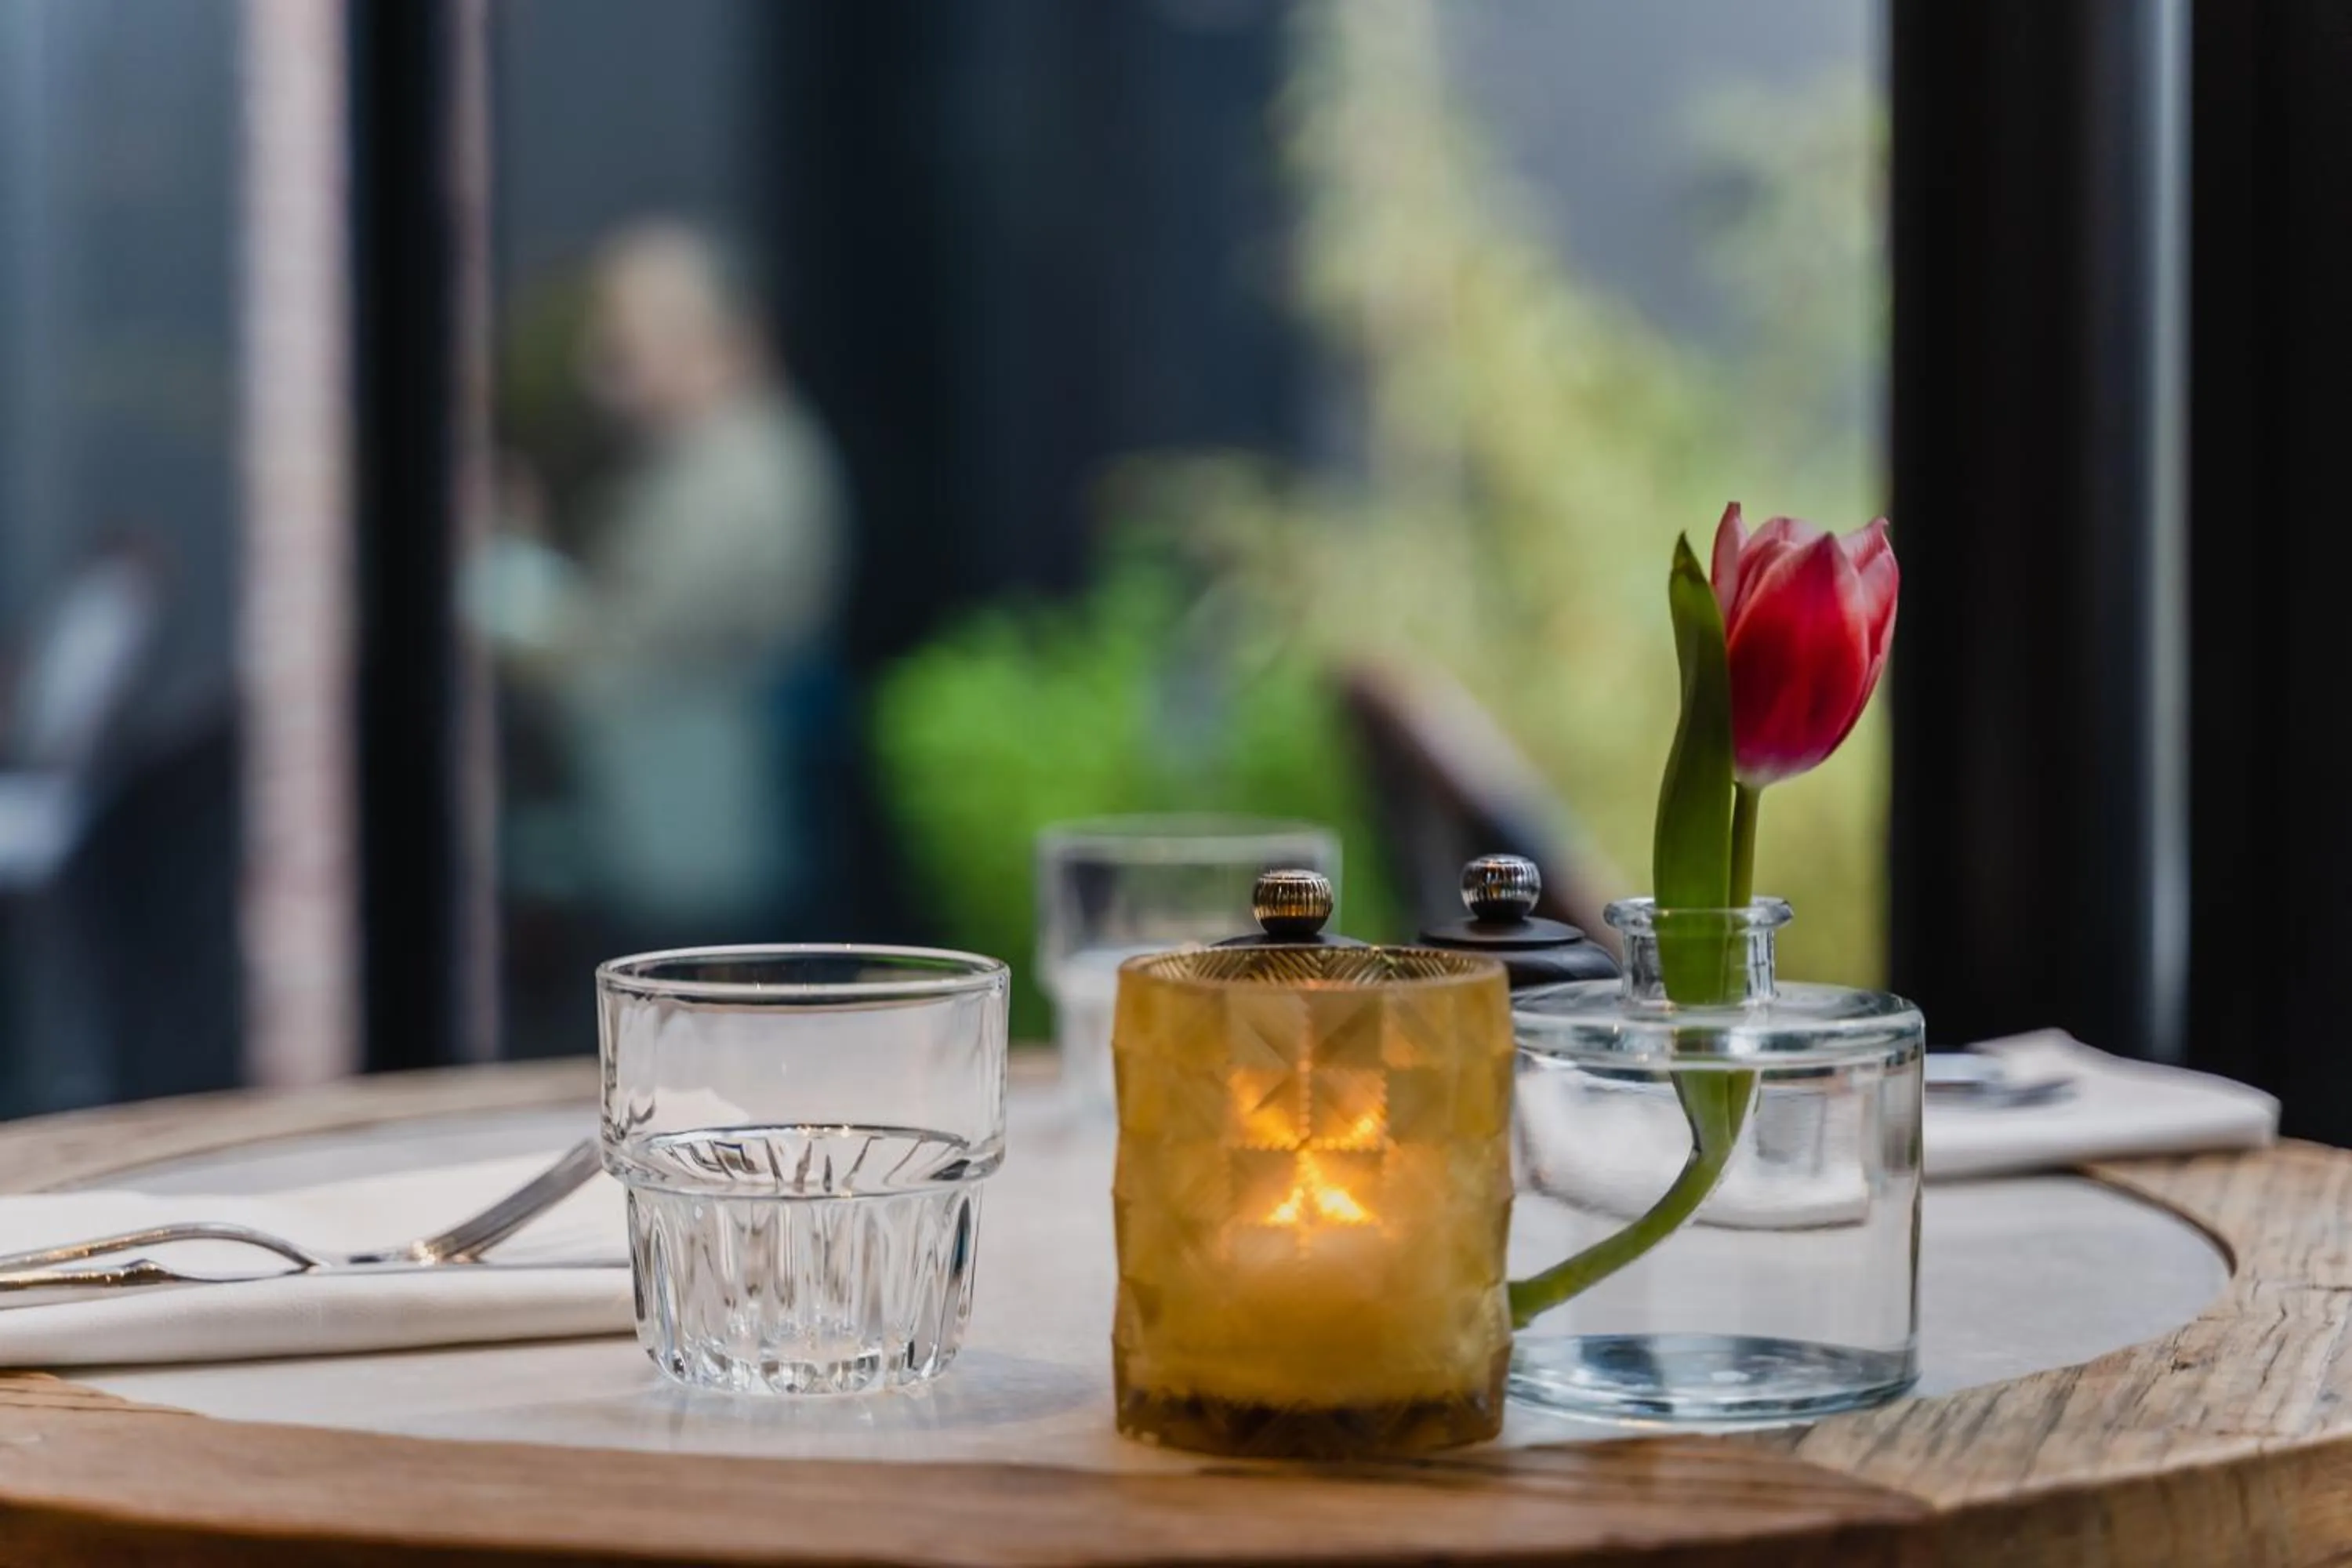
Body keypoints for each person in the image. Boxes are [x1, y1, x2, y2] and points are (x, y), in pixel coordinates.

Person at [477, 221, 848, 944]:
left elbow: (605, 663)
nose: (601, 366)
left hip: (684, 855)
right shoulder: (715, 461)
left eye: (627, 338)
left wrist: (495, 574)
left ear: (721, 340)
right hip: (677, 833)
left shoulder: (736, 476)